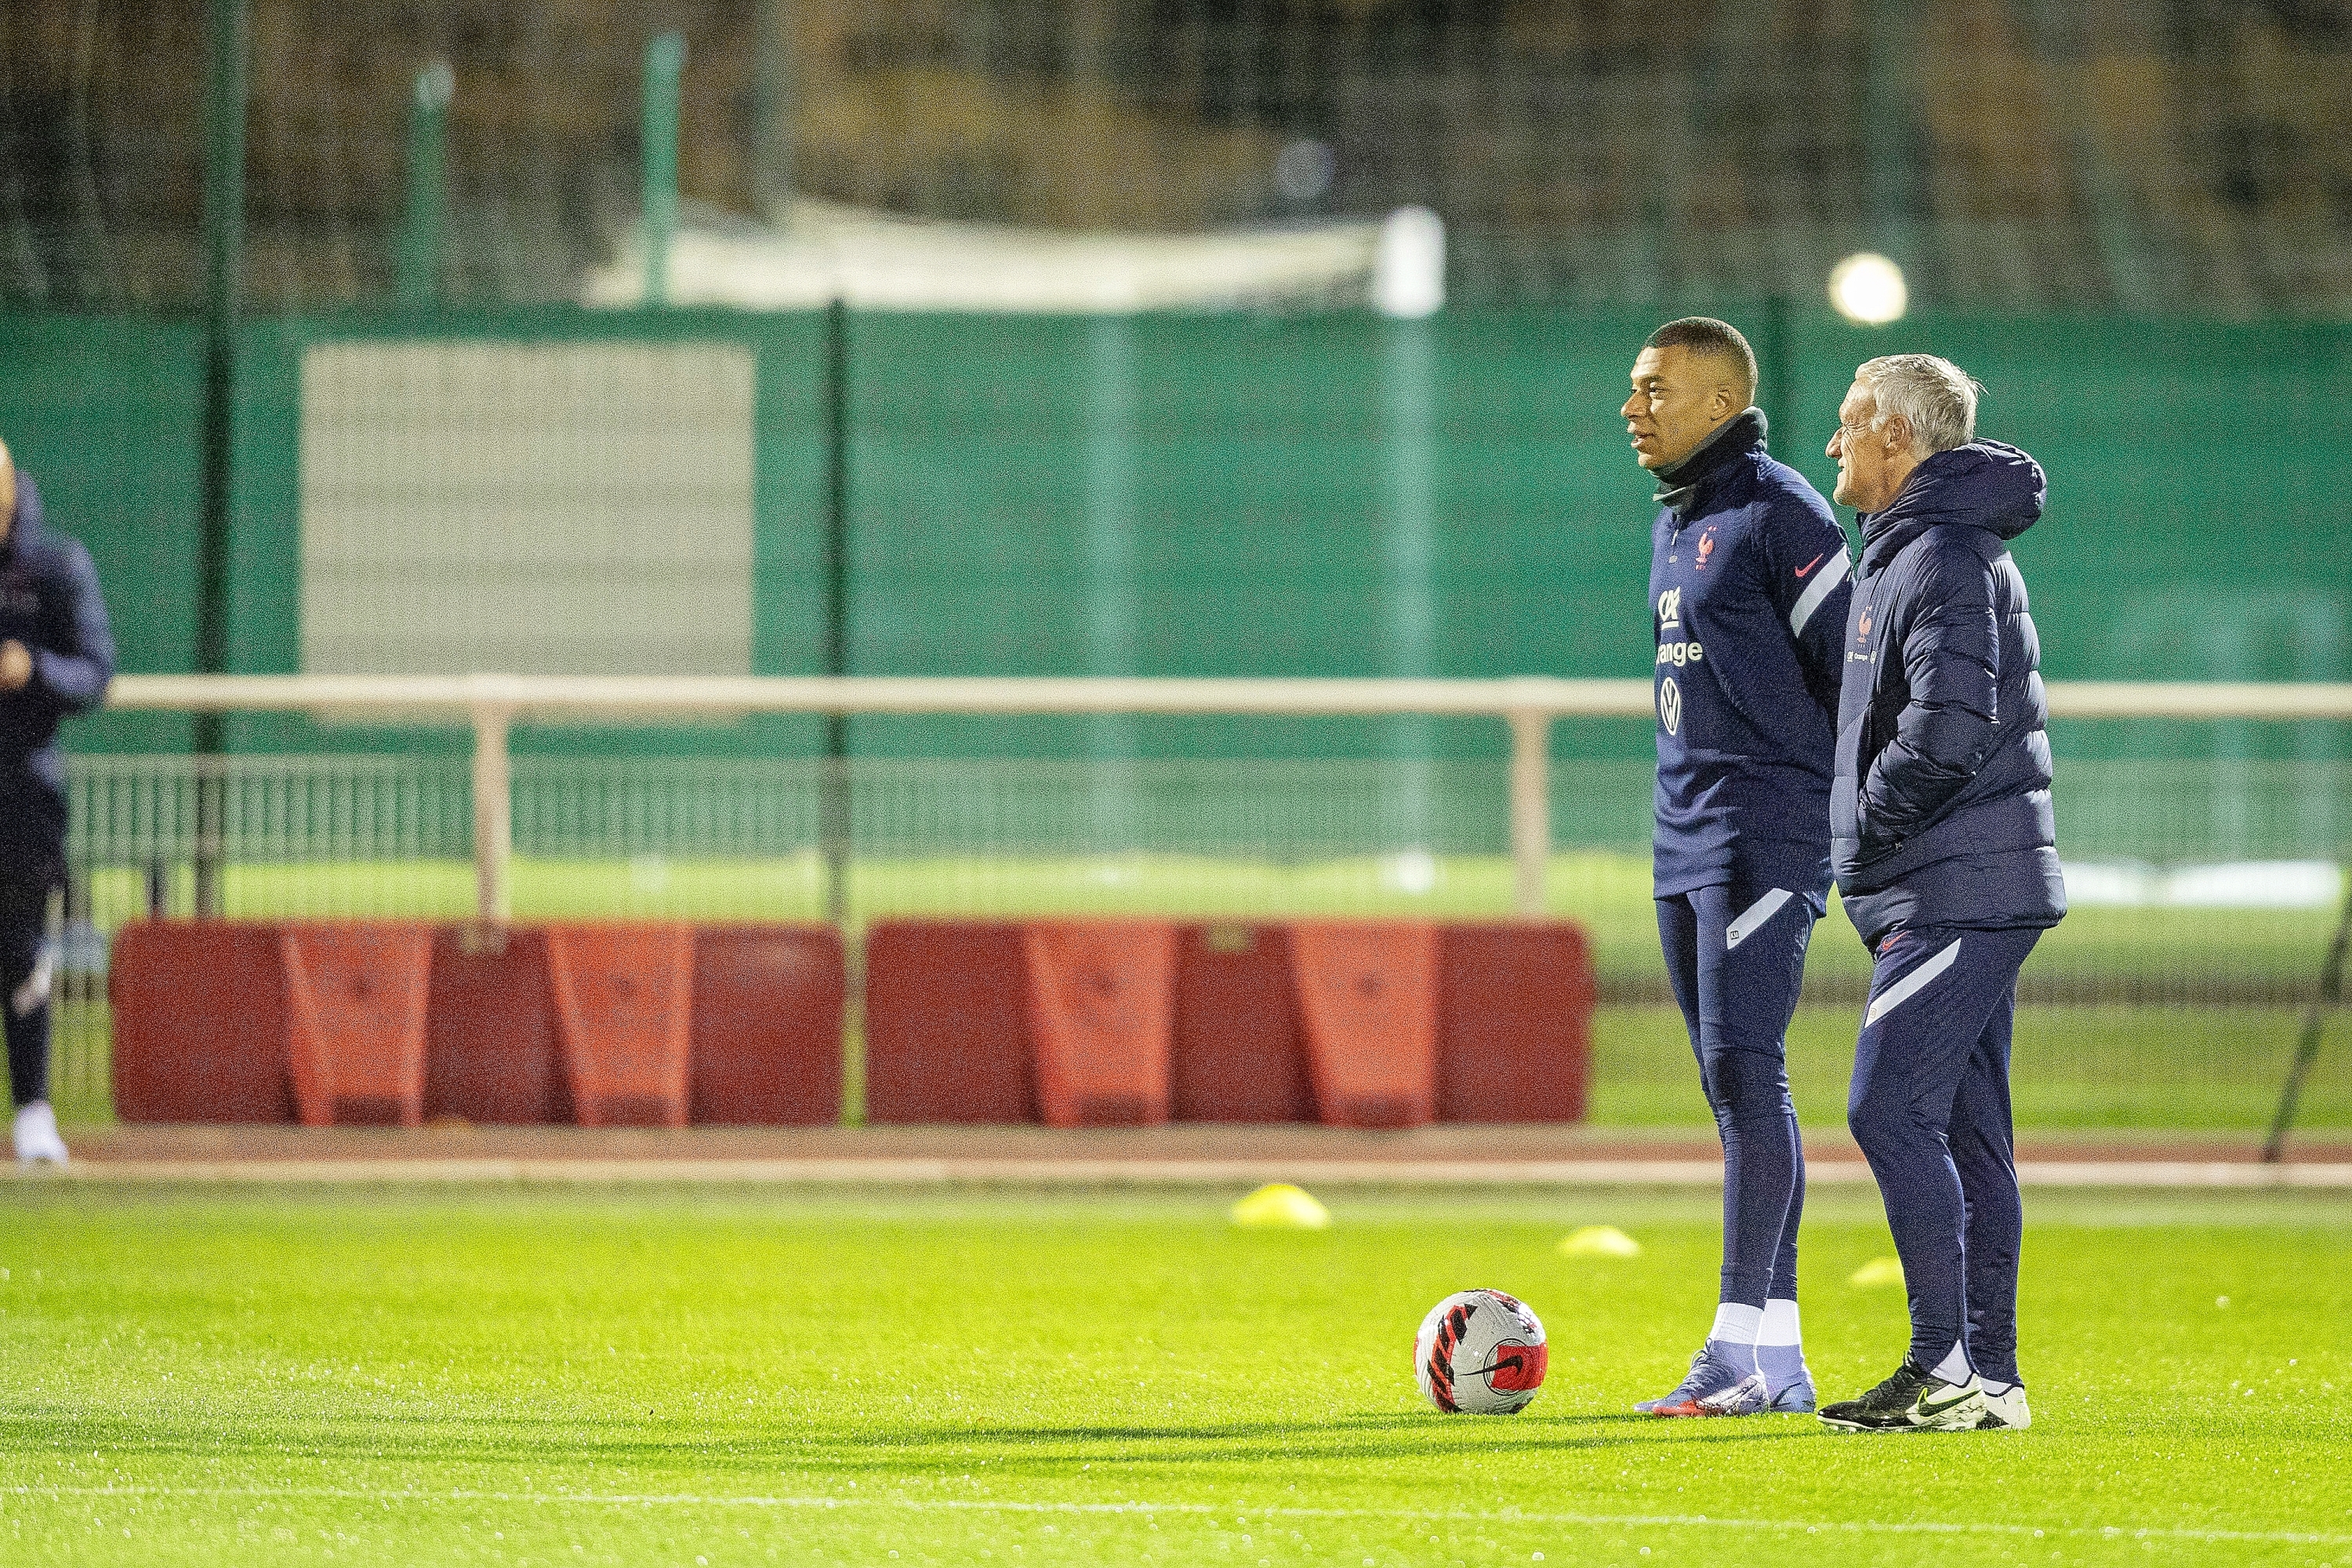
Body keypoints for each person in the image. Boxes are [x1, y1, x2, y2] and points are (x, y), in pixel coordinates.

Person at [1813, 355, 2064, 1434]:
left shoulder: (1946, 558)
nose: (1832, 446)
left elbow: (1947, 733)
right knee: (1967, 1137)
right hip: (1951, 879)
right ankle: (1990, 1381)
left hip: (1958, 887)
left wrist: (1860, 825)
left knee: (1886, 1107)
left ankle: (1945, 1365)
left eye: (1846, 425)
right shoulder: (1913, 553)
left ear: (1896, 435)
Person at [1621, 318, 1851, 1417]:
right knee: (1729, 1084)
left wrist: (1831, 819)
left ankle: (1732, 1348)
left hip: (1764, 833)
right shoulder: (1680, 521)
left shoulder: (1781, 513)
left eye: (1655, 389)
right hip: (1683, 833)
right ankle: (1782, 1355)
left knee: (1748, 1069)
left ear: (1720, 402)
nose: (1634, 408)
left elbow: (1860, 672)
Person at [1, 438, 117, 1166]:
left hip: (24, 791)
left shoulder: (56, 567)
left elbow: (96, 671)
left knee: (19, 951)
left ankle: (34, 1110)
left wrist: (30, 669)